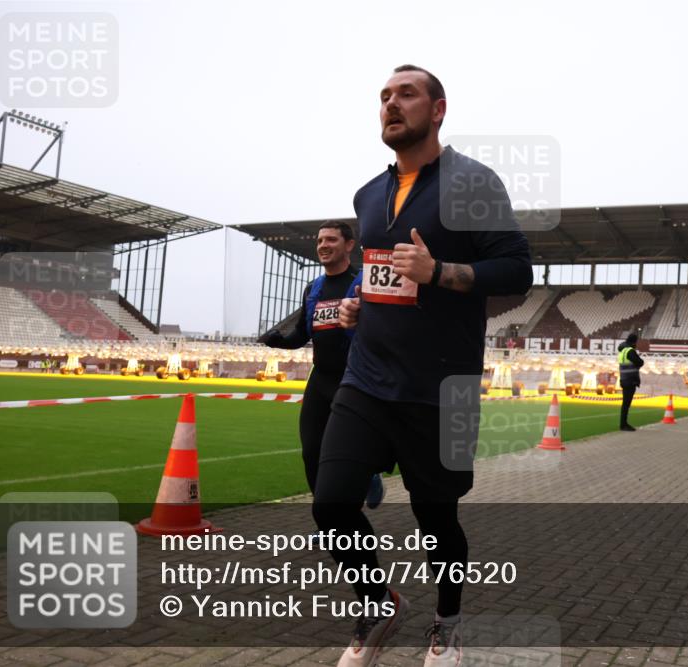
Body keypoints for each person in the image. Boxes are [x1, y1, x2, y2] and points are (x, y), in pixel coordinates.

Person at [313, 64, 533, 667]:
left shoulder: (474, 182)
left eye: (406, 94)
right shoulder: (367, 194)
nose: (391, 104)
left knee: (437, 519)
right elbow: (387, 271)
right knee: (330, 503)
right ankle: (378, 602)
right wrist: (362, 303)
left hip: (442, 387)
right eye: (384, 96)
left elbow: (517, 270)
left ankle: (447, 621)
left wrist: (439, 272)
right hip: (367, 377)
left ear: (437, 109)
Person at [259, 221, 385, 507]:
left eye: (331, 239)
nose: (323, 246)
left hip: (355, 379)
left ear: (349, 245)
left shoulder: (365, 282)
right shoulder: (313, 288)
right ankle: (328, 519)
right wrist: (278, 340)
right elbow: (302, 335)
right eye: (319, 241)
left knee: (347, 451)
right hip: (321, 378)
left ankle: (369, 477)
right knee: (311, 452)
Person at [617, 333, 644, 431]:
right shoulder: (630, 351)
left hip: (624, 379)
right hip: (631, 380)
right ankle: (623, 425)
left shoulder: (622, 351)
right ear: (634, 341)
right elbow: (640, 362)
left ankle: (623, 423)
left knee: (625, 404)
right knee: (626, 404)